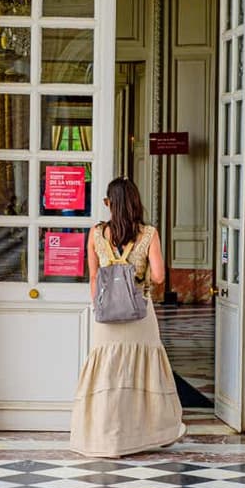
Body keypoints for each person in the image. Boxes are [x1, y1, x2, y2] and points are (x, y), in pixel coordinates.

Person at [69, 177, 186, 457]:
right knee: (144, 374)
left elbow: (94, 277)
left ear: (109, 204)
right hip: (139, 314)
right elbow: (158, 277)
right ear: (135, 202)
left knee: (106, 376)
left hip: (106, 317)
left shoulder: (97, 234)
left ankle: (105, 439)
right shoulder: (149, 234)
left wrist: (102, 305)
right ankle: (146, 434)